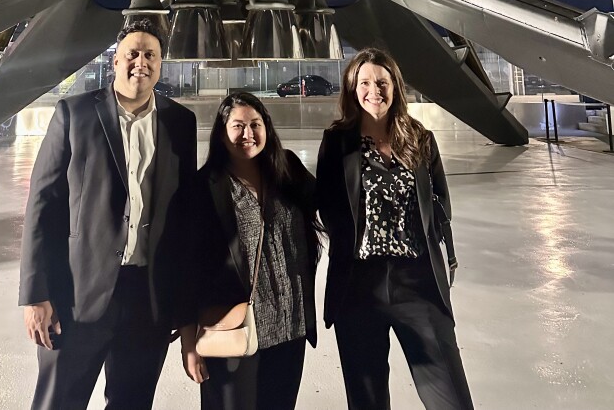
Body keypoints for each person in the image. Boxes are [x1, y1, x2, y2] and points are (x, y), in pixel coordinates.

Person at [19, 17, 197, 410]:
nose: (141, 62)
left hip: (146, 299)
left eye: (150, 55)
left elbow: (183, 219)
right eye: (132, 54)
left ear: (161, 64)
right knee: (58, 401)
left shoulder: (180, 122)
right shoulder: (74, 114)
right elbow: (42, 207)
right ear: (115, 62)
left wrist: (182, 307)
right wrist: (36, 295)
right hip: (77, 297)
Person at [317, 47, 474, 410]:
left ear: (396, 87)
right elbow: (326, 206)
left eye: (383, 82)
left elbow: (440, 207)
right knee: (367, 399)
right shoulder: (338, 143)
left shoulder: (420, 139)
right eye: (366, 82)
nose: (375, 90)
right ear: (352, 89)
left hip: (417, 282)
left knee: (450, 397)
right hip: (359, 286)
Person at [181, 91, 320, 410]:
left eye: (255, 124)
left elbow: (334, 205)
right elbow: (187, 268)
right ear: (222, 132)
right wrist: (189, 341)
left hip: (288, 328)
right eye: (238, 125)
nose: (248, 134)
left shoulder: (288, 170)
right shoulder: (206, 187)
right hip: (231, 328)